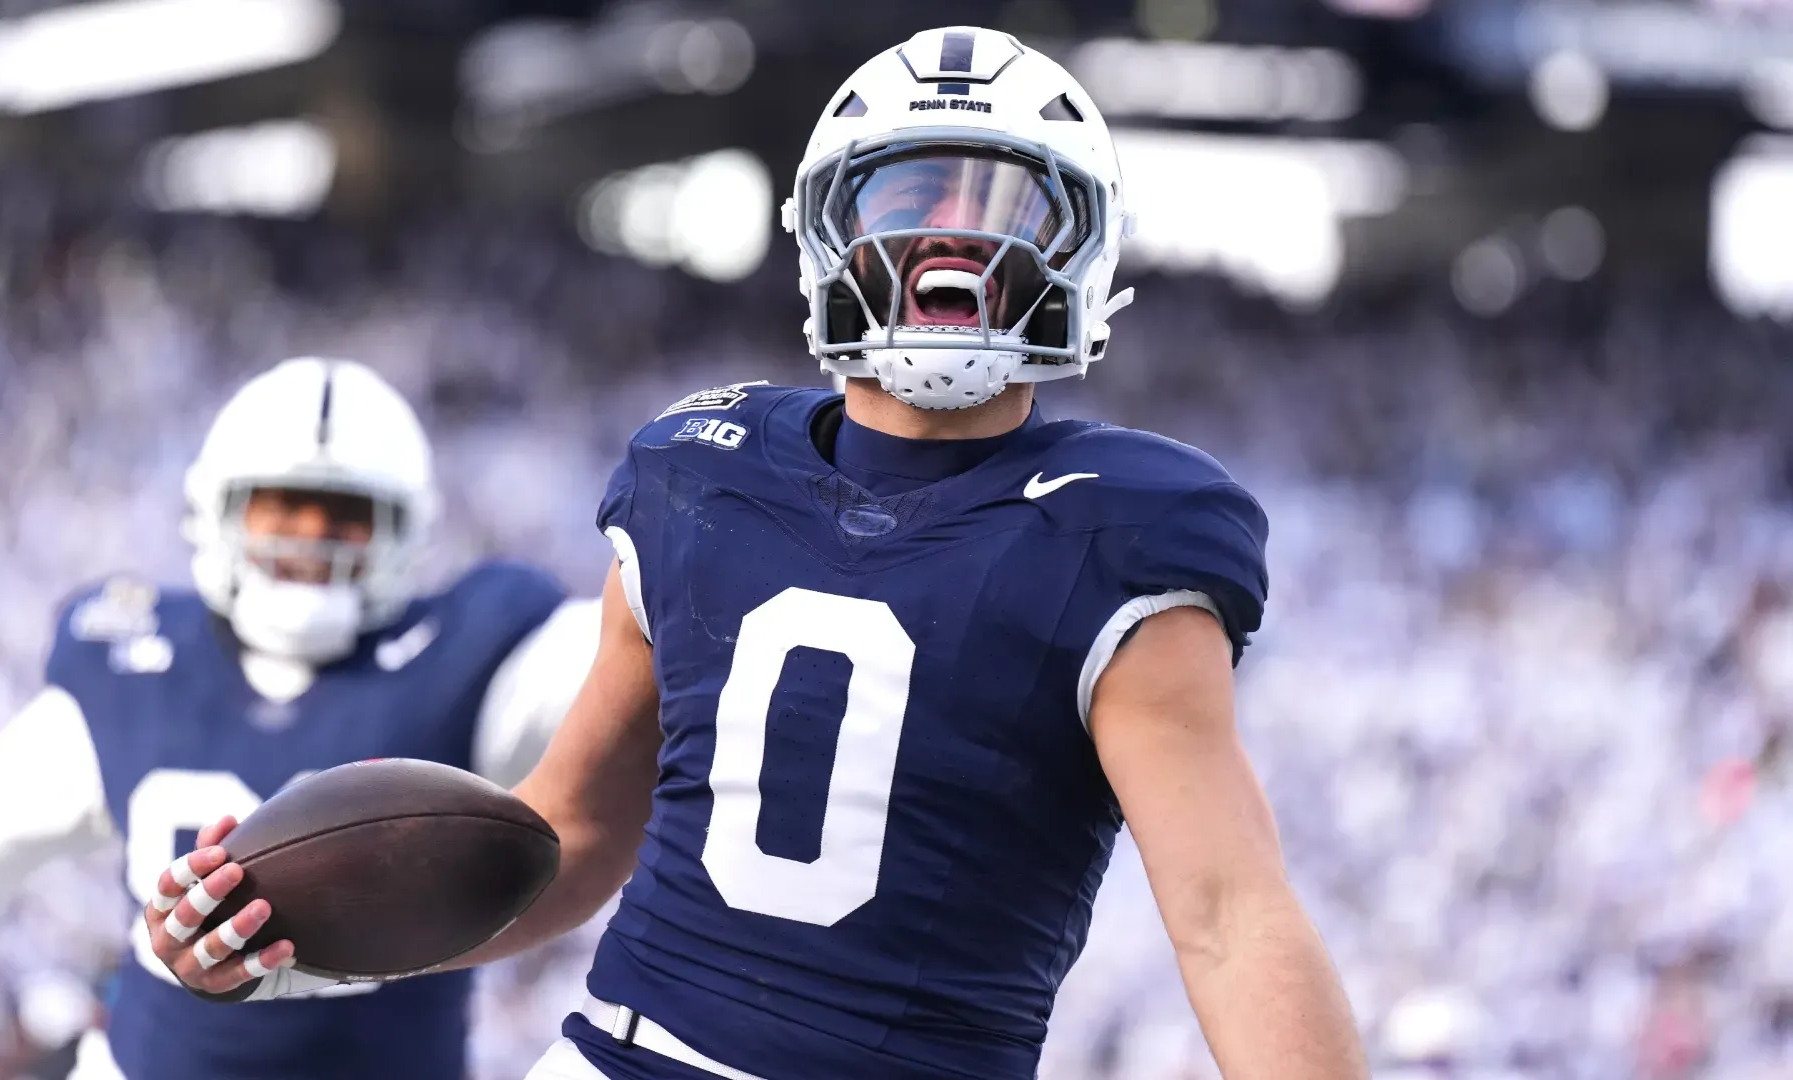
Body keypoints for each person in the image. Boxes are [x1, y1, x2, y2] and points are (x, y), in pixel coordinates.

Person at [154, 29, 1368, 1080]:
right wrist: (295, 946)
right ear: (827, 230)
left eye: (1003, 206)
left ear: (1084, 251)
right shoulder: (698, 468)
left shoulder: (1120, 528)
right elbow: (569, 832)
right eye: (910, 198)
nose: (952, 245)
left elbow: (1227, 916)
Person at [0, 357, 599, 1080]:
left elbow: (640, 657)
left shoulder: (469, 654)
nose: (310, 537)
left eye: (347, 514)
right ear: (217, 510)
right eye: (282, 505)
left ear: (405, 530)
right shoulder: (140, 664)